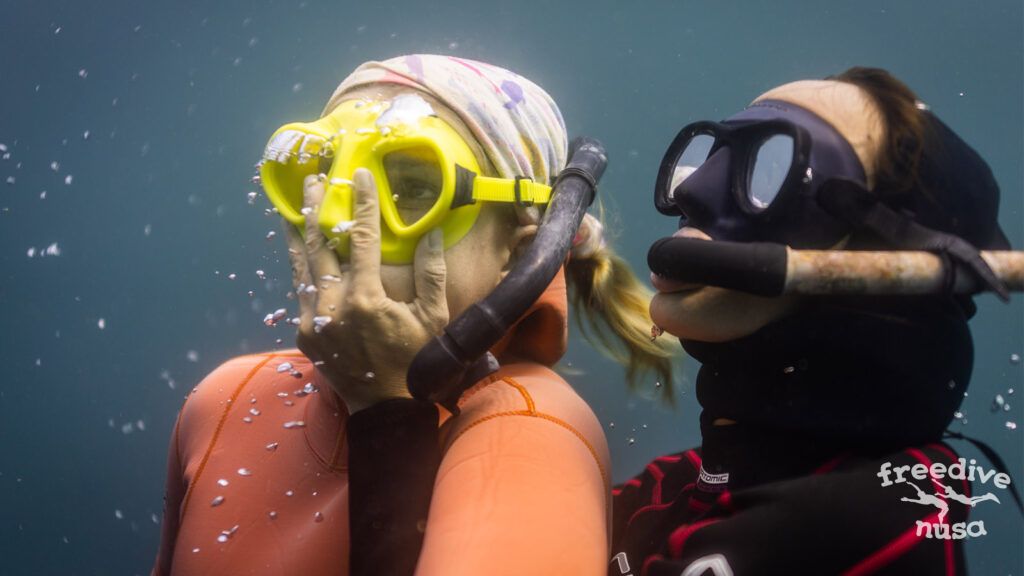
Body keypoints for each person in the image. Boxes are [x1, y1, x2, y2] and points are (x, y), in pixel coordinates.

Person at [341, 67, 1017, 576]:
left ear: (884, 263)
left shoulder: (882, 514)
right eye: (713, 156)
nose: (693, 190)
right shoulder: (677, 489)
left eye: (770, 168)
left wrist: (387, 416)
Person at [151, 54, 675, 576]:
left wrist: (388, 408)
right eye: (324, 176)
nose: (339, 222)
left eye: (413, 188)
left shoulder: (530, 431)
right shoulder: (225, 398)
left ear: (516, 256)